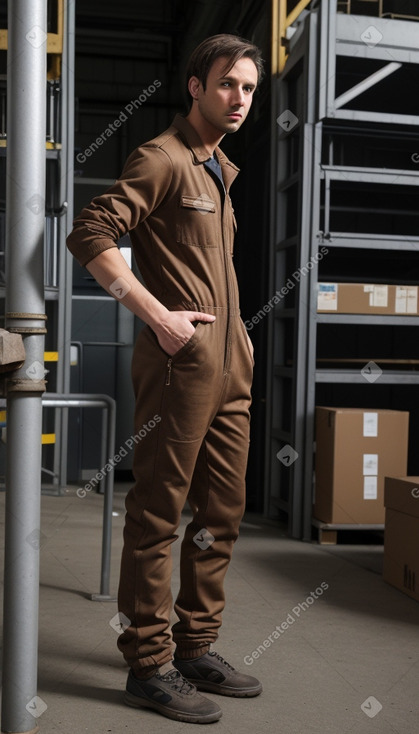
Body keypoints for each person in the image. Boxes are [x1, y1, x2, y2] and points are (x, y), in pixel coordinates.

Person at [67, 33, 264, 724]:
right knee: (157, 514)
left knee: (220, 513)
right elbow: (91, 230)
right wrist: (155, 315)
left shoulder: (218, 170)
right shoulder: (163, 157)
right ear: (195, 86)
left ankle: (194, 647)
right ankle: (148, 662)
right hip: (181, 364)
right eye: (225, 84)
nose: (237, 98)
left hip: (229, 364)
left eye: (246, 86)